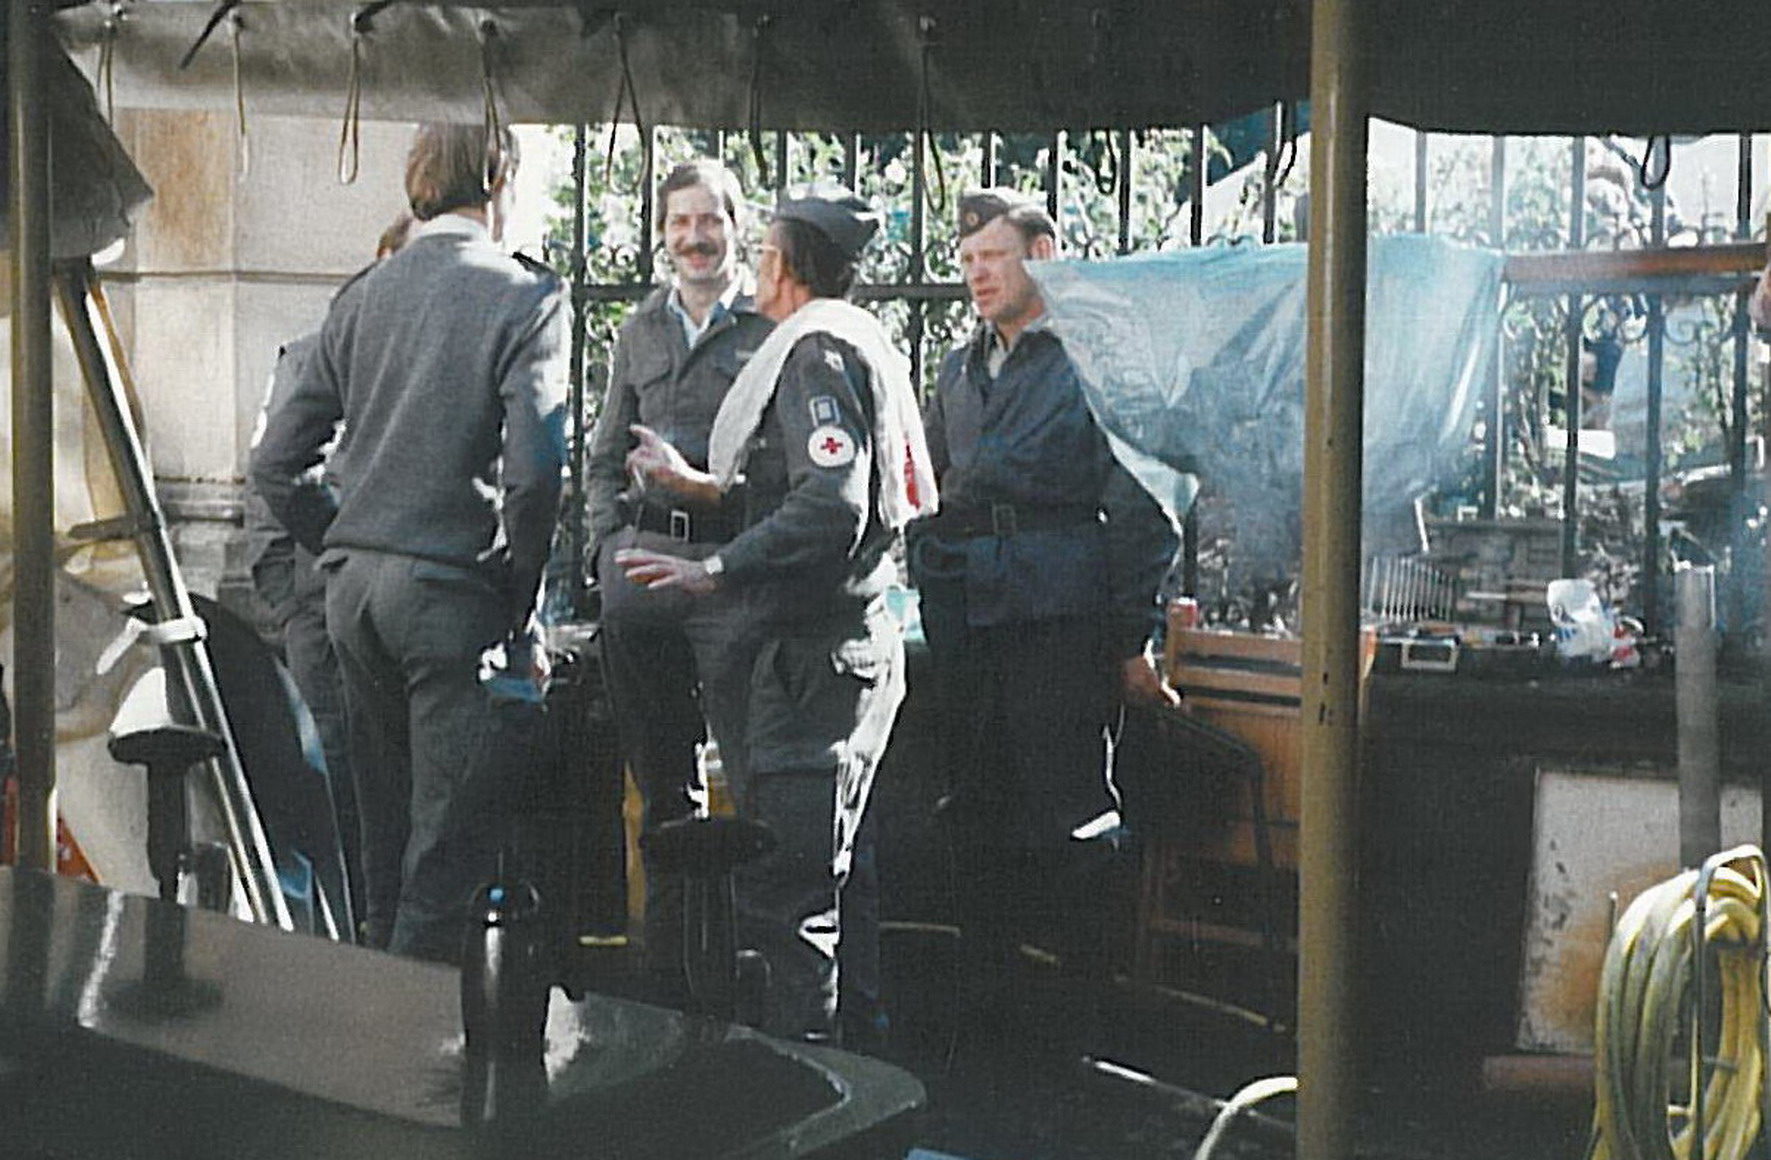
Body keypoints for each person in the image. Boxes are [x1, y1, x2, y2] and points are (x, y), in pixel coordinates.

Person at [615, 184, 937, 1042]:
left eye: (762, 251)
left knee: (790, 895)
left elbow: (830, 505)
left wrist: (716, 567)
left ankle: (809, 1080)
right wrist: (703, 490)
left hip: (812, 662)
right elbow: (798, 490)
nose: (753, 265)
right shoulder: (832, 342)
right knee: (828, 877)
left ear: (786, 265)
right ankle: (855, 1058)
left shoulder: (815, 353)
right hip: (831, 654)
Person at [251, 123, 569, 962]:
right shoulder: (526, 298)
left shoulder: (365, 294)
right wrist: (518, 597)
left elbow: (277, 461)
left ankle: (367, 1022)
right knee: (444, 860)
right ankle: (418, 1038)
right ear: (498, 180)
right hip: (450, 596)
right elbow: (538, 474)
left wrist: (344, 541)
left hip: (355, 597)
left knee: (384, 847)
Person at [909, 188, 1180, 1014]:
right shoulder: (959, 369)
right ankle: (989, 1010)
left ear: (1043, 257)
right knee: (975, 810)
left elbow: (1142, 504)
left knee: (1069, 819)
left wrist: (1131, 637)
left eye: (993, 256)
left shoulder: (1093, 361)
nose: (976, 274)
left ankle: (1080, 1016)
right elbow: (927, 486)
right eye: (966, 261)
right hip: (967, 615)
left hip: (1058, 618)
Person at [584, 160, 772, 1005]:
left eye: (709, 221)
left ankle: (741, 969)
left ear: (737, 228)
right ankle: (665, 973)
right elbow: (601, 455)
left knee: (752, 778)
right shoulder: (639, 330)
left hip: (731, 578)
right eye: (679, 223)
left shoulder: (770, 328)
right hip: (644, 575)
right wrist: (607, 550)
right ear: (662, 234)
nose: (695, 238)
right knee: (661, 785)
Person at [243, 210, 413, 936]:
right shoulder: (312, 359)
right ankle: (346, 937)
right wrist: (290, 600)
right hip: (323, 611)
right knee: (337, 778)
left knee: (405, 787)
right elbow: (268, 483)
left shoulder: (437, 367)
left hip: (407, 614)